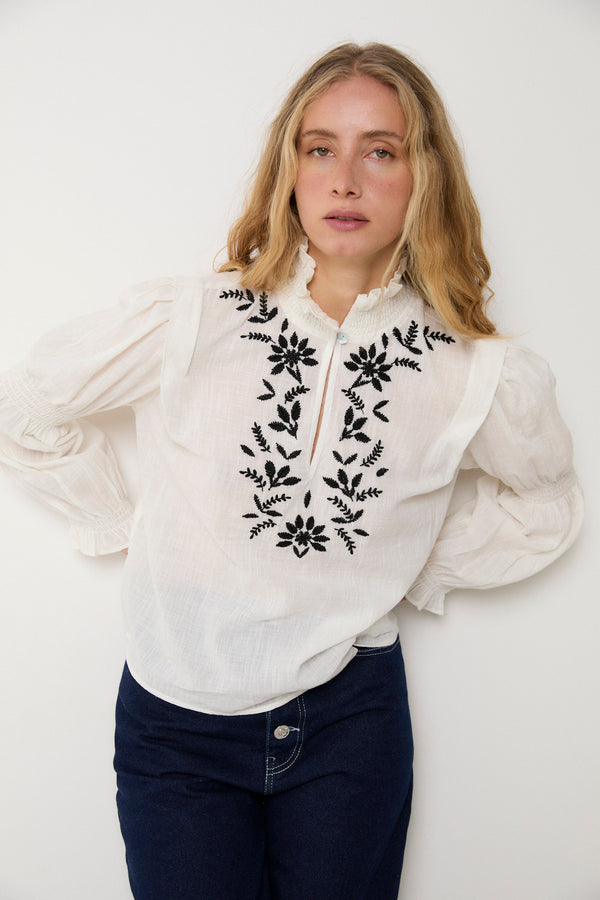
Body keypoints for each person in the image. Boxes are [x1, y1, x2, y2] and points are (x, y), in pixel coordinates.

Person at [0, 42, 583, 900]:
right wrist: (127, 525)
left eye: (379, 150)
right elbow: (26, 408)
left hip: (351, 722)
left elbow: (546, 502)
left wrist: (407, 564)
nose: (344, 180)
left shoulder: (471, 369)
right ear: (291, 168)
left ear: (423, 174)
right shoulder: (196, 318)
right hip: (177, 719)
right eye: (320, 148)